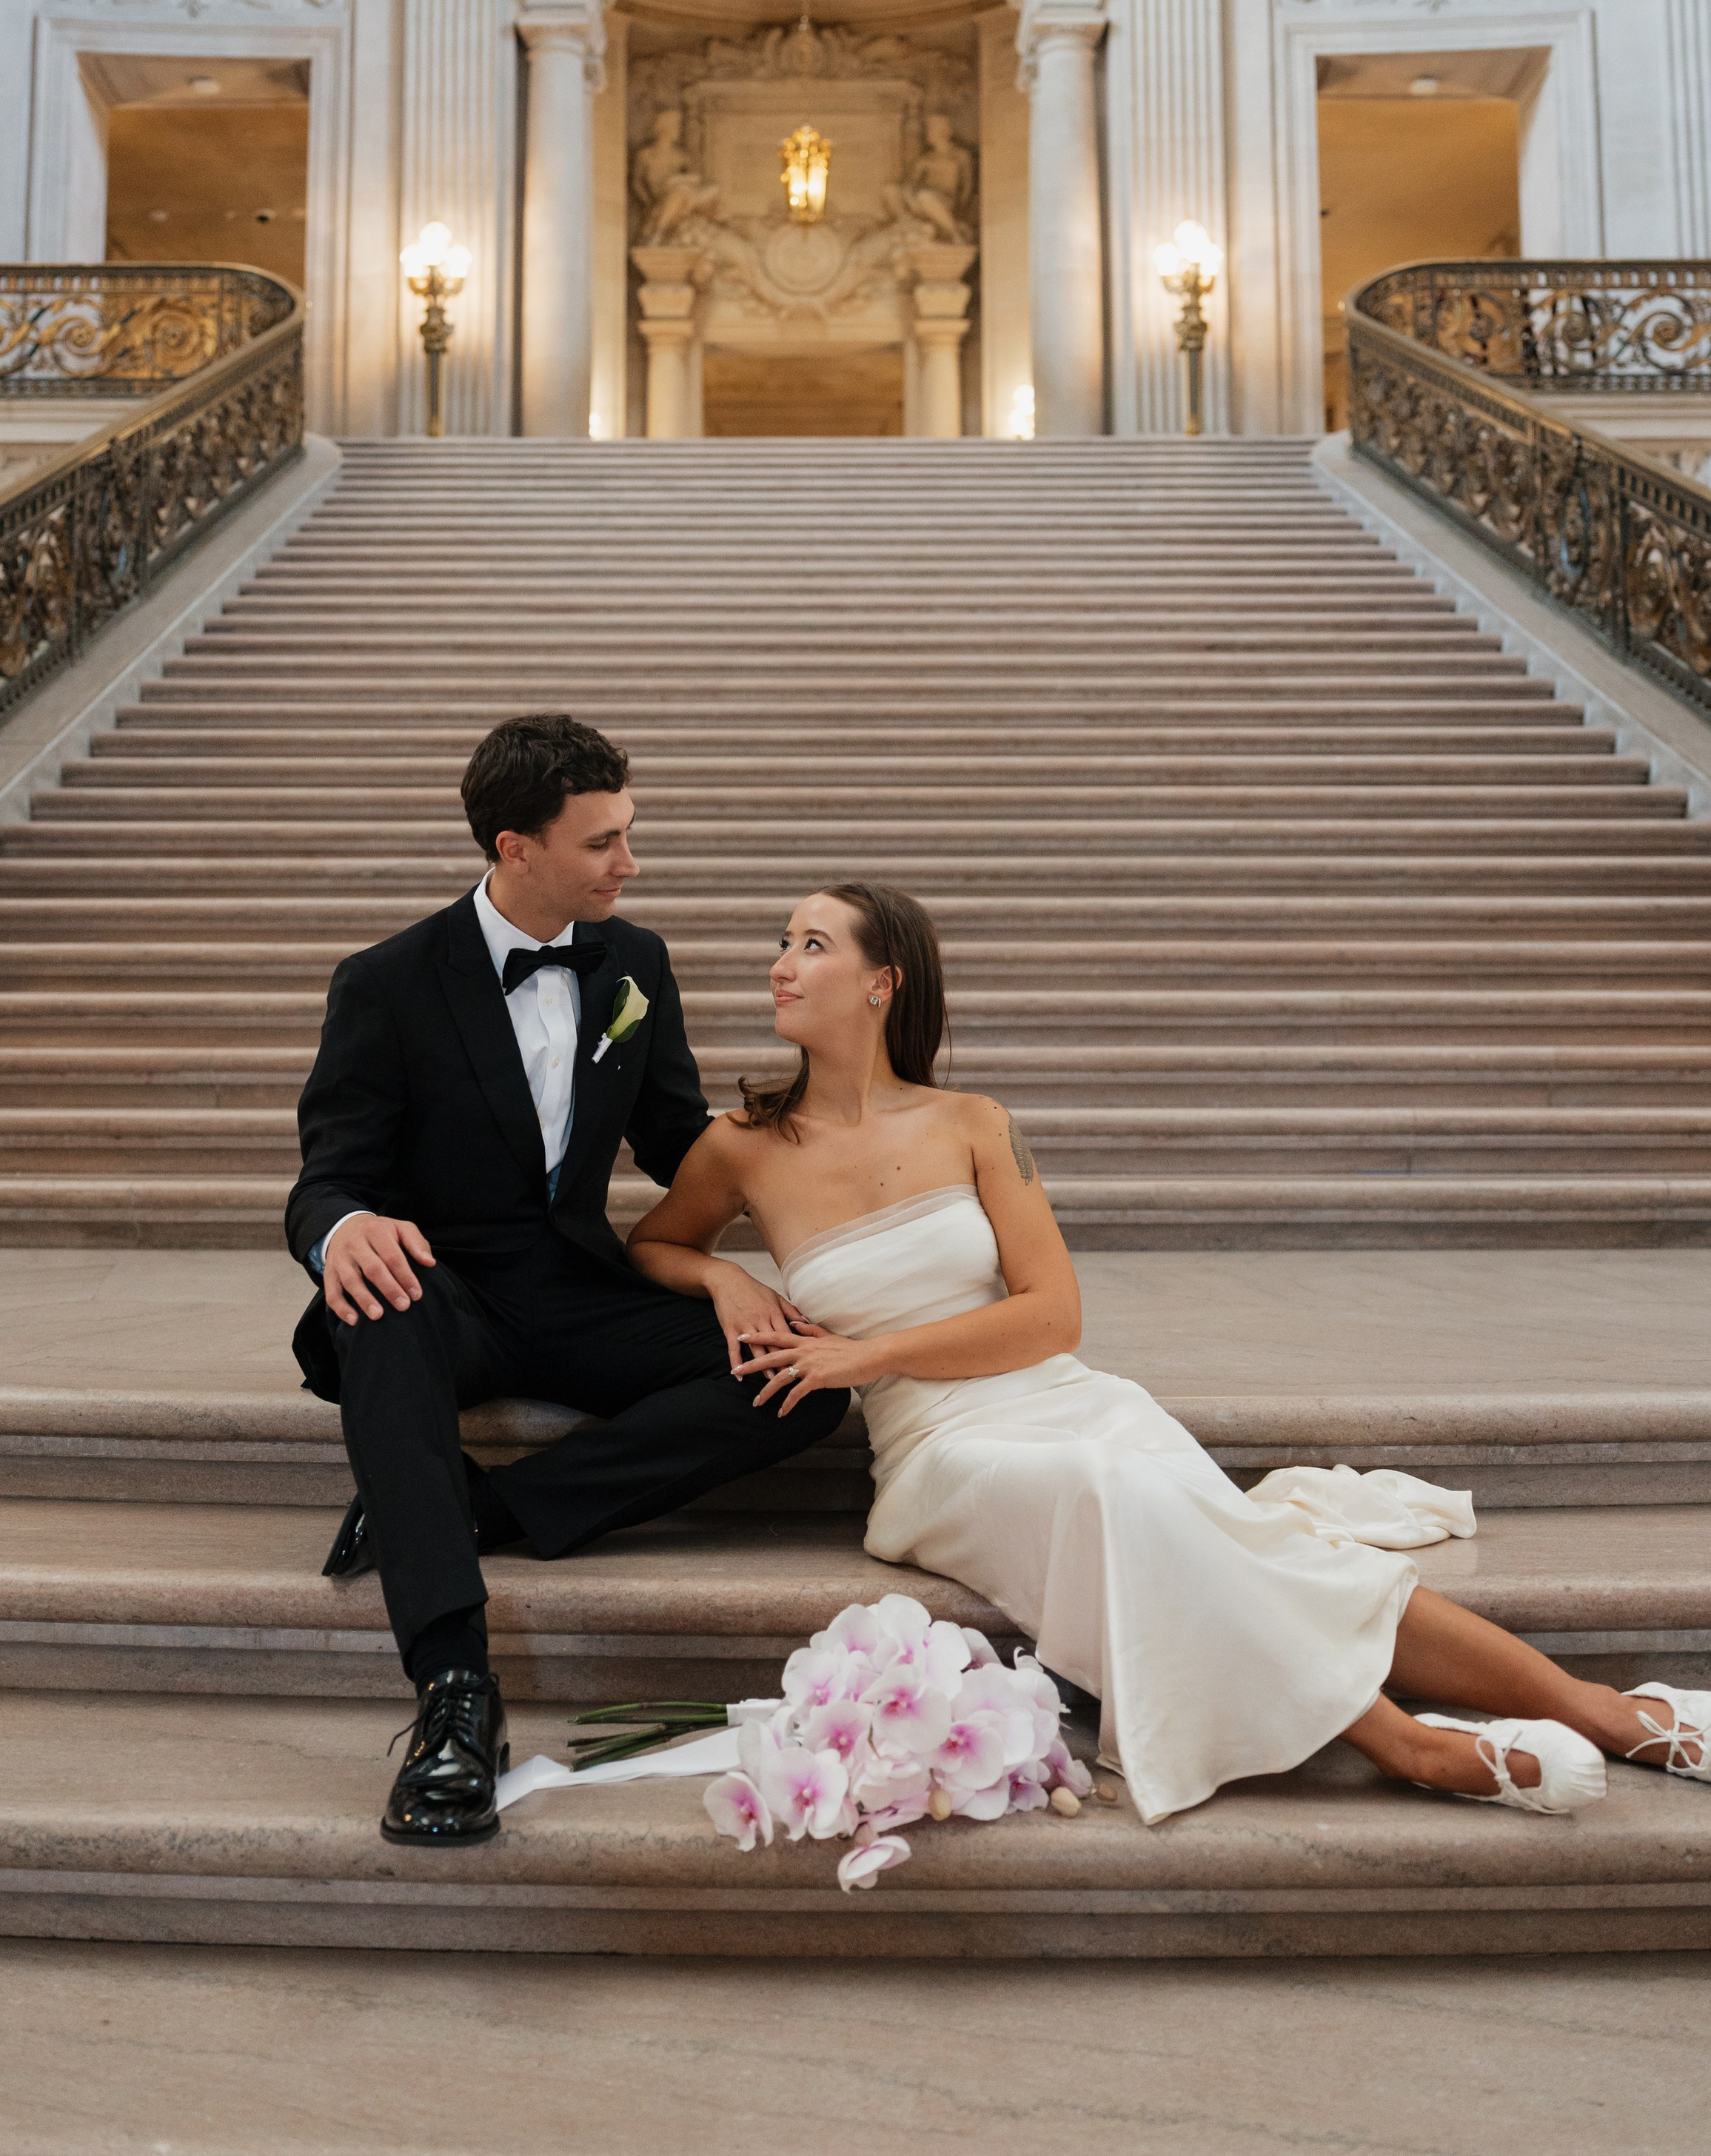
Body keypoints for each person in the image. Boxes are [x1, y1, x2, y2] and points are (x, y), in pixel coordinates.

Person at [626, 880, 1711, 1824]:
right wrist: (728, 1277)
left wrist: (867, 1354)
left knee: (1233, 1530)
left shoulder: (974, 1122)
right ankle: (1406, 1744)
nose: (780, 964)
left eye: (812, 944)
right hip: (938, 1452)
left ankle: (1600, 1710)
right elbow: (654, 1242)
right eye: (783, 942)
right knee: (1120, 1491)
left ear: (883, 982)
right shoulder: (744, 1145)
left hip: (1062, 1394)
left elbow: (1053, 1316)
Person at [284, 715, 848, 1849]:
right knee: (381, 1301)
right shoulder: (388, 981)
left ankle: (471, 1507)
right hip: (446, 1288)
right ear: (517, 846)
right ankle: (454, 1691)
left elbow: (681, 1139)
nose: (628, 861)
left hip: (580, 1284)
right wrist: (342, 1228)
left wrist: (766, 1233)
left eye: (627, 832)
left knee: (804, 1380)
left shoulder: (633, 963)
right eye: (603, 842)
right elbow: (329, 1172)